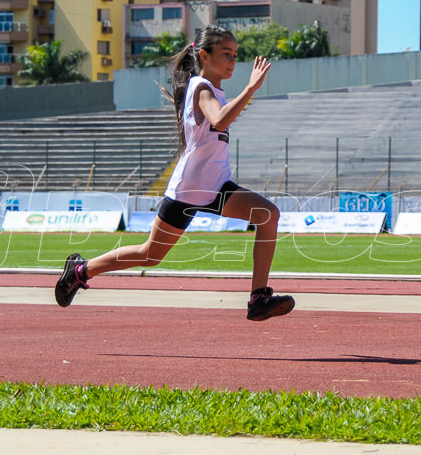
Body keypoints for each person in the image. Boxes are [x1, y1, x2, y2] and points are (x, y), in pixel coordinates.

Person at [55, 25, 295, 322]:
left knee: (267, 215)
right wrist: (251, 88)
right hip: (190, 190)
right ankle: (81, 270)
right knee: (150, 255)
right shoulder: (201, 87)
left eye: (235, 55)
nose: (233, 60)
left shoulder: (215, 90)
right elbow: (219, 121)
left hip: (216, 187)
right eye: (226, 54)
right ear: (204, 56)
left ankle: (259, 298)